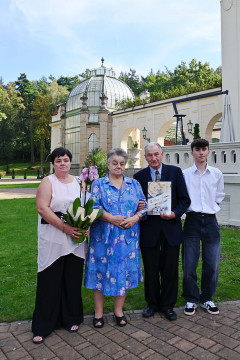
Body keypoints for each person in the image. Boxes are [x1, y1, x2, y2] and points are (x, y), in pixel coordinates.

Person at [32, 147, 89, 344]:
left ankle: (71, 318)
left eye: (65, 160)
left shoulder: (79, 182)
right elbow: (42, 208)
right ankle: (44, 324)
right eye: (58, 161)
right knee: (49, 280)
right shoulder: (48, 182)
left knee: (71, 280)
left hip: (75, 240)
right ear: (53, 164)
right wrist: (64, 228)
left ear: (70, 162)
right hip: (54, 237)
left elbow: (85, 206)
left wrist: (85, 226)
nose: (62, 163)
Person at [84, 148, 147, 328]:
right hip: (103, 239)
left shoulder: (134, 184)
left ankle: (119, 311)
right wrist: (111, 218)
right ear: (108, 164)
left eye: (121, 163)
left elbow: (144, 205)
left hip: (127, 239)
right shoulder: (98, 184)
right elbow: (93, 207)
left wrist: (136, 217)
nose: (118, 166)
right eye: (115, 163)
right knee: (99, 275)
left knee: (123, 274)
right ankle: (98, 313)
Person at [134, 142, 190, 321]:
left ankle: (167, 306)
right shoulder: (139, 177)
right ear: (145, 157)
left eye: (156, 154)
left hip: (170, 229)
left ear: (162, 153)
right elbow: (134, 203)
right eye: (149, 155)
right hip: (149, 229)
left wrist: (175, 214)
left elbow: (184, 200)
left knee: (170, 270)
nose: (153, 158)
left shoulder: (175, 172)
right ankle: (152, 304)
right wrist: (139, 206)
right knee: (150, 269)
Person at [182, 138, 225, 316]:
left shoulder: (216, 173)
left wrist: (208, 208)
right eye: (197, 149)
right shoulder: (184, 174)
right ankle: (191, 299)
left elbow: (219, 195)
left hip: (210, 221)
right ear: (192, 152)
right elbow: (182, 197)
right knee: (189, 262)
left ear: (208, 151)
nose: (201, 152)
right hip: (191, 221)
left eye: (204, 149)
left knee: (212, 263)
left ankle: (207, 297)